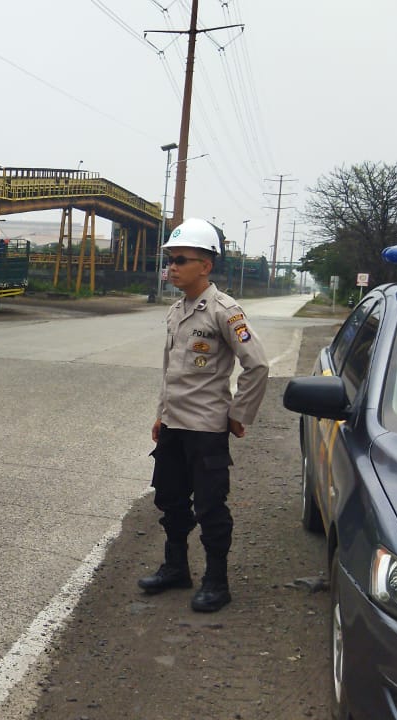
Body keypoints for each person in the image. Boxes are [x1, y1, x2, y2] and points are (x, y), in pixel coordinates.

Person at [140, 217, 269, 612]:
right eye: (170, 260)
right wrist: (161, 413)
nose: (172, 267)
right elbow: (171, 370)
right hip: (174, 426)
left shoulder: (224, 311)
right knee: (170, 500)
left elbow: (257, 365)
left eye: (181, 260)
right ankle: (175, 568)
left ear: (205, 266)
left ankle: (217, 581)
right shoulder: (176, 310)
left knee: (211, 507)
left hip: (206, 429)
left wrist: (239, 413)